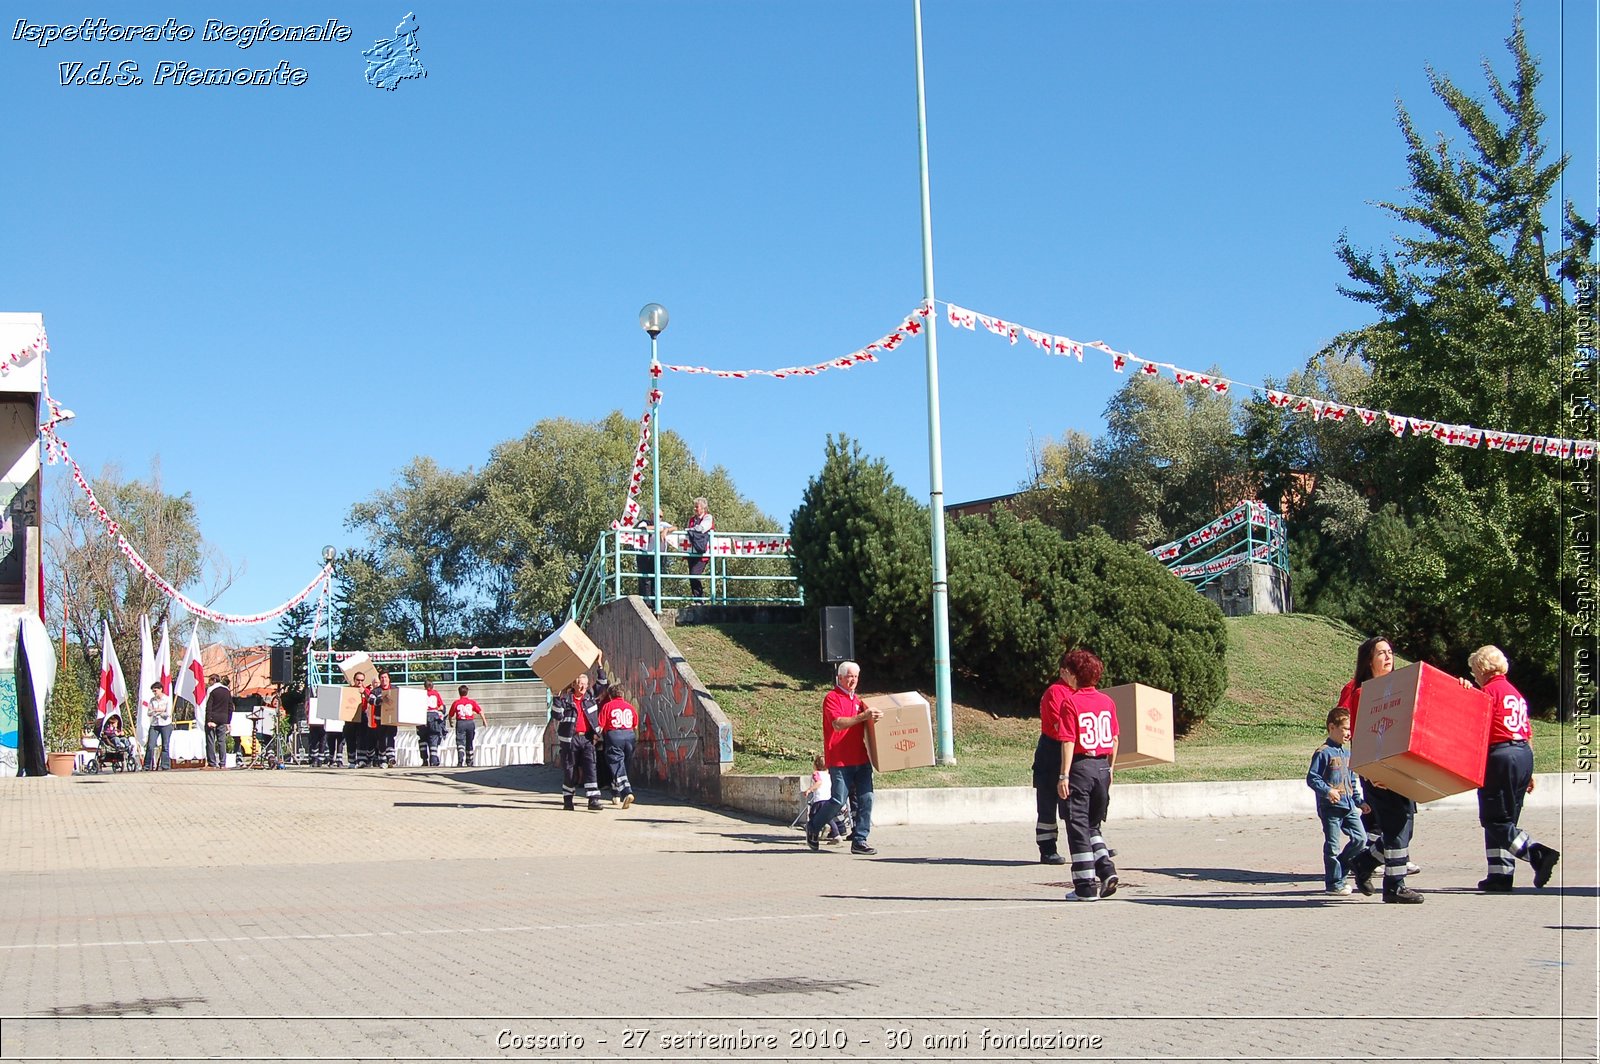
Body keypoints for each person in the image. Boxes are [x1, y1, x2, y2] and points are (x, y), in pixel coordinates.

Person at [1465, 645, 1560, 892]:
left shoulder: (1487, 693)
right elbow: (1527, 732)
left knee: (1494, 819)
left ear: (1483, 668)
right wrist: (1529, 772)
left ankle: (1537, 853)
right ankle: (1500, 874)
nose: (1474, 676)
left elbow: (1477, 730)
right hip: (1522, 754)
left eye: (1475, 670)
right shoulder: (1514, 693)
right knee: (1508, 817)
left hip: (1500, 756)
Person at [1339, 636, 1423, 903]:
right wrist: (1373, 772)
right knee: (1397, 825)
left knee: (1404, 825)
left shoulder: (1398, 689)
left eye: (1390, 652)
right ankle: (1395, 886)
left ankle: (1364, 862)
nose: (1388, 657)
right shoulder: (1365, 693)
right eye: (1381, 653)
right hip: (1380, 770)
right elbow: (1362, 736)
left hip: (1401, 765)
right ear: (1368, 660)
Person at [1054, 649, 1119, 901]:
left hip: (1081, 767)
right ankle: (1106, 868)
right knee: (1093, 825)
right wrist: (1111, 768)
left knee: (1077, 826)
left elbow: (1068, 741)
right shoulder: (1107, 702)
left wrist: (1063, 775)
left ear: (1074, 675)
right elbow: (1114, 739)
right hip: (1102, 767)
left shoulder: (1071, 703)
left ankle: (1085, 886)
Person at [806, 660, 880, 855]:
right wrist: (863, 716)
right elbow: (838, 724)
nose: (853, 680)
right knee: (838, 800)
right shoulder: (831, 698)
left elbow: (868, 726)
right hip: (840, 760)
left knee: (867, 798)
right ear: (839, 678)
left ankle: (860, 840)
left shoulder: (858, 701)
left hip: (861, 759)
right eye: (849, 676)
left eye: (855, 676)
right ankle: (813, 827)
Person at [1306, 707, 1368, 896]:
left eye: (1350, 730)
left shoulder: (1347, 754)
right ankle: (1334, 884)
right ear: (1332, 727)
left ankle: (1343, 868)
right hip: (1331, 808)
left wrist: (1359, 801)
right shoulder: (1323, 752)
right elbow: (1312, 778)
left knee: (1360, 839)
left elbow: (1352, 781)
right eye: (1345, 729)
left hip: (1349, 806)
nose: (1348, 733)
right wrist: (1327, 791)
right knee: (1332, 846)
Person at [1033, 657, 1075, 865]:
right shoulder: (1056, 692)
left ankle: (1091, 844)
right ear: (1063, 672)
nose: (1076, 676)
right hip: (1052, 751)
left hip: (1072, 750)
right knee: (1048, 802)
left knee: (1076, 804)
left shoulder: (1079, 692)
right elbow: (1061, 728)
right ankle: (1047, 848)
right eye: (1072, 672)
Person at [552, 667, 605, 809]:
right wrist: (556, 698)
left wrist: (599, 665)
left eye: (585, 684)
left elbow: (602, 683)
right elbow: (557, 716)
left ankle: (593, 800)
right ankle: (568, 800)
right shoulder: (565, 700)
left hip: (587, 739)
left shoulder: (590, 697)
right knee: (570, 770)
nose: (582, 687)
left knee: (590, 768)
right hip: (570, 740)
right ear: (574, 685)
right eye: (580, 684)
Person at [598, 680, 639, 808]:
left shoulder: (607, 706)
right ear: (622, 694)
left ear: (610, 695)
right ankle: (615, 793)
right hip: (630, 736)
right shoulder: (630, 707)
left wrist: (595, 737)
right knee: (624, 766)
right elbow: (635, 725)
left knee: (616, 764)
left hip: (614, 736)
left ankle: (627, 792)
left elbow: (600, 726)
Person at [802, 754, 848, 844]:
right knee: (828, 817)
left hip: (819, 799)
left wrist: (809, 789)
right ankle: (835, 834)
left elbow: (819, 782)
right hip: (829, 799)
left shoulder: (816, 774)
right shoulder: (829, 774)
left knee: (813, 818)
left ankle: (814, 835)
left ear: (815, 765)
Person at [635, 512, 675, 602]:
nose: (659, 518)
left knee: (657, 580)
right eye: (656, 515)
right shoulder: (645, 522)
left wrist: (665, 530)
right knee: (645, 579)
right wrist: (659, 529)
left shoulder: (663, 524)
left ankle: (655, 603)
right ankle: (646, 603)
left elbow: (675, 528)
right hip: (645, 554)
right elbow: (642, 528)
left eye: (660, 516)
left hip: (659, 555)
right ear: (651, 516)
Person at [684, 497, 714, 601]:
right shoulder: (692, 519)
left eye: (697, 507)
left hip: (702, 552)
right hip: (692, 551)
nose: (695, 509)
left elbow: (701, 528)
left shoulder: (708, 517)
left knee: (694, 574)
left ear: (703, 508)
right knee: (692, 576)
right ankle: (697, 598)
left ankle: (699, 599)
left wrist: (690, 530)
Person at [448, 684, 484, 767]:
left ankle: (460, 760)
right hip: (470, 722)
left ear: (459, 693)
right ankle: (469, 760)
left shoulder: (456, 703)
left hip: (460, 722)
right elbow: (480, 711)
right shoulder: (472, 702)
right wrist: (484, 721)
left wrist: (450, 722)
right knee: (469, 741)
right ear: (467, 692)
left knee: (460, 742)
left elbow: (450, 715)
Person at [204, 675, 234, 769]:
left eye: (210, 680)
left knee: (210, 741)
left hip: (213, 718)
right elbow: (230, 707)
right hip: (223, 718)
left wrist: (209, 720)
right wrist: (228, 721)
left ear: (214, 680)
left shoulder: (211, 690)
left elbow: (209, 706)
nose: (209, 682)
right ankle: (223, 763)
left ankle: (212, 763)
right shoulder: (227, 691)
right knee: (222, 741)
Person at [143, 681, 173, 771]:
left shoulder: (167, 699)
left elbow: (168, 713)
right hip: (155, 724)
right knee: (150, 745)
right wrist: (157, 711)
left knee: (165, 746)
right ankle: (147, 765)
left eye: (155, 691)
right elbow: (149, 712)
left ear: (160, 689)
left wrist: (158, 711)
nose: (154, 693)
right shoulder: (152, 700)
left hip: (165, 724)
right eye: (153, 691)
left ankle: (165, 765)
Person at [372, 671, 398, 768]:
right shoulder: (376, 691)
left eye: (385, 677)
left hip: (392, 718)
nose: (384, 679)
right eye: (382, 678)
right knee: (382, 738)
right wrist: (380, 700)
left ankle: (391, 757)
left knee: (391, 736)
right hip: (380, 719)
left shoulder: (395, 689)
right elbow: (371, 700)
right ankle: (382, 758)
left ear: (389, 678)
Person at [419, 679, 447, 767]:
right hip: (434, 717)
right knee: (433, 738)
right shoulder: (436, 694)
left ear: (424, 686)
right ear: (432, 686)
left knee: (422, 739)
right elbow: (441, 707)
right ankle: (433, 760)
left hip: (422, 717)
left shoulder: (421, 694)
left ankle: (424, 760)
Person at [347, 670, 371, 768]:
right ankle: (352, 760)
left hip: (362, 715)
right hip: (350, 717)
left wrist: (364, 692)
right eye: (358, 680)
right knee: (350, 738)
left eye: (362, 680)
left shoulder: (366, 690)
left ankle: (362, 759)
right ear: (354, 680)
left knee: (362, 739)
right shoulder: (349, 690)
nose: (360, 682)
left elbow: (371, 698)